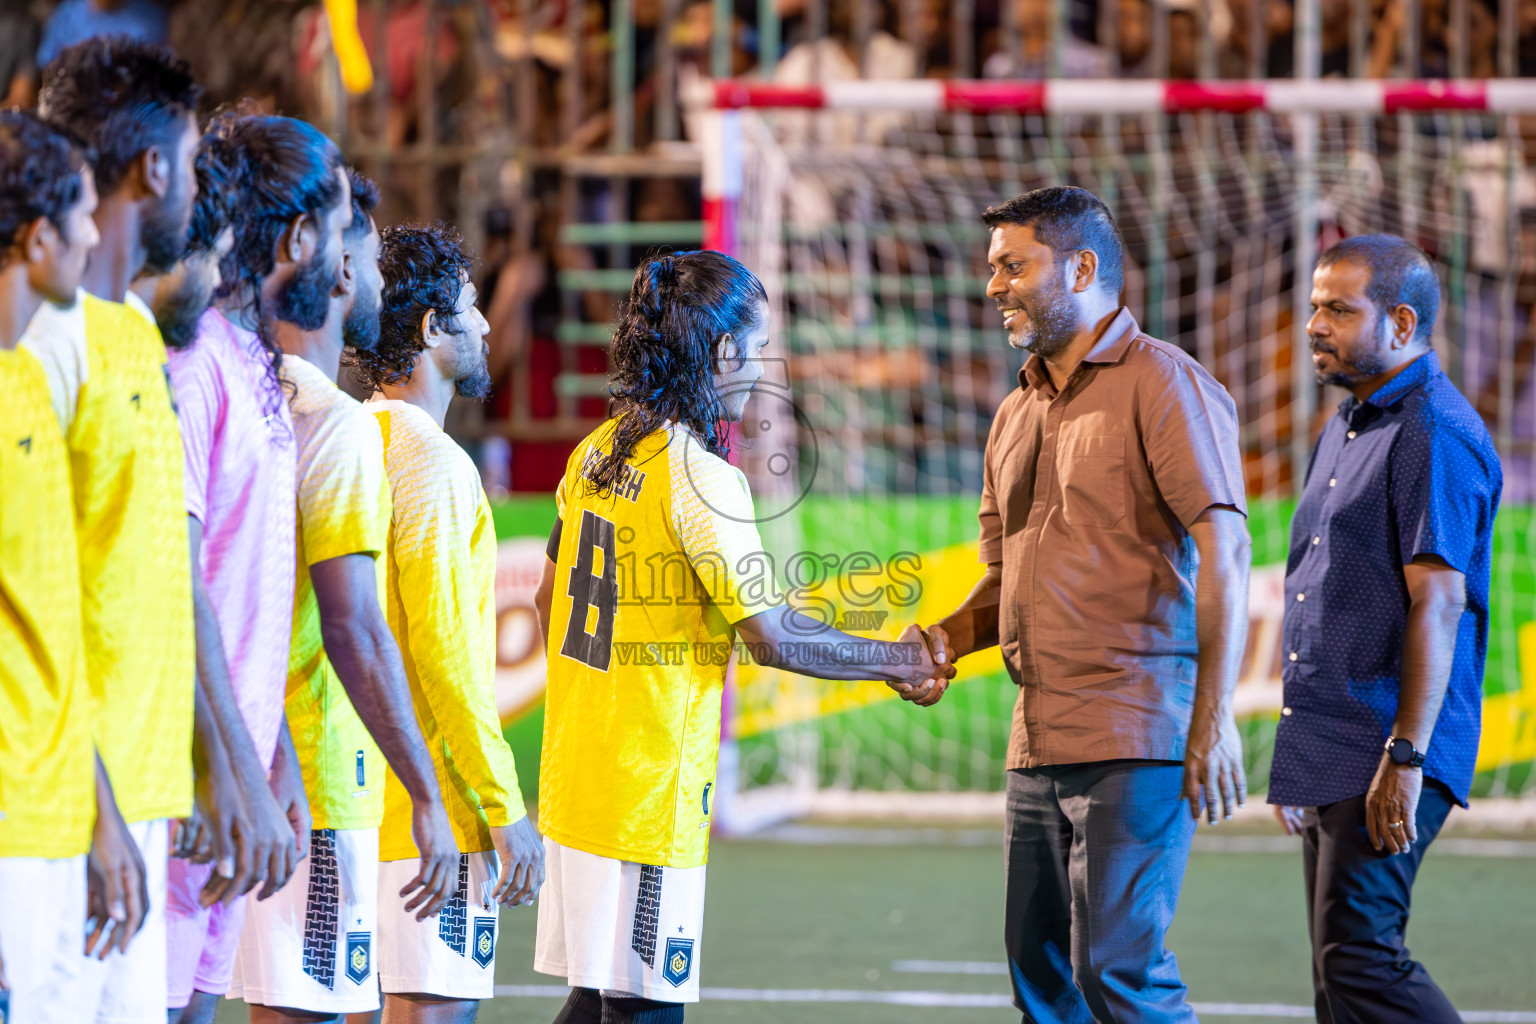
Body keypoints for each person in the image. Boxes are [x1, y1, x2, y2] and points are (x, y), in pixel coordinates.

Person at [533, 249, 938, 1024]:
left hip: (578, 774)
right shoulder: (701, 476)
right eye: (757, 347)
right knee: (643, 1010)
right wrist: (897, 658)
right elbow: (773, 637)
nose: (760, 368)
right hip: (647, 791)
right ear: (723, 352)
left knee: (599, 1002)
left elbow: (553, 596)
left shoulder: (596, 452)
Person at [915, 186, 1251, 1024]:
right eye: (992, 268)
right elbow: (1004, 581)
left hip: (1136, 730)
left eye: (1012, 266)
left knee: (1118, 972)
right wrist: (941, 641)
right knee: (1039, 974)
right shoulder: (1013, 411)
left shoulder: (1166, 384)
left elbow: (1228, 548)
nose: (993, 285)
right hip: (1038, 739)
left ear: (1083, 267)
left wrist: (1213, 718)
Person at [218, 140, 458, 1020]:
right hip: (311, 784)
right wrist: (427, 794)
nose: (386, 286)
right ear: (341, 262)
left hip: (245, 759)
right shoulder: (336, 422)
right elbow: (353, 628)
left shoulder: (234, 382)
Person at [1269, 235, 1501, 1024]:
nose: (1314, 324)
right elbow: (1321, 587)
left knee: (1361, 956)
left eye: (1338, 308)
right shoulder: (1349, 423)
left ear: (1401, 322)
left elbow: (1438, 604)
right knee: (1338, 978)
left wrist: (1405, 756)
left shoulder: (1433, 430)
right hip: (1336, 738)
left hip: (1391, 743)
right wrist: (1301, 757)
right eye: (1312, 307)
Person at [27, 37, 201, 1023]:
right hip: (61, 817)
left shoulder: (134, 331)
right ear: (155, 167)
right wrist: (95, 813)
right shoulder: (42, 340)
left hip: (135, 806)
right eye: (192, 162)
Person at [348, 222, 546, 1018]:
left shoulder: (345, 435)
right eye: (471, 307)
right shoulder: (431, 462)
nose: (489, 324)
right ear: (433, 328)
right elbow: (448, 660)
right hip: (425, 812)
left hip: (349, 800)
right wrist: (502, 808)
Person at [149, 132, 307, 1024]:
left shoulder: (254, 363)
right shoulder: (196, 356)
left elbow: (246, 579)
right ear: (294, 240)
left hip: (236, 768)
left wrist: (272, 745)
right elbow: (177, 575)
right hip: (192, 777)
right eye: (339, 229)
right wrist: (227, 770)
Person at [0, 106, 147, 1024]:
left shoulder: (26, 381)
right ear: (37, 234)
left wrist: (99, 813)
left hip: (54, 814)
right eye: (85, 214)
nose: (100, 237)